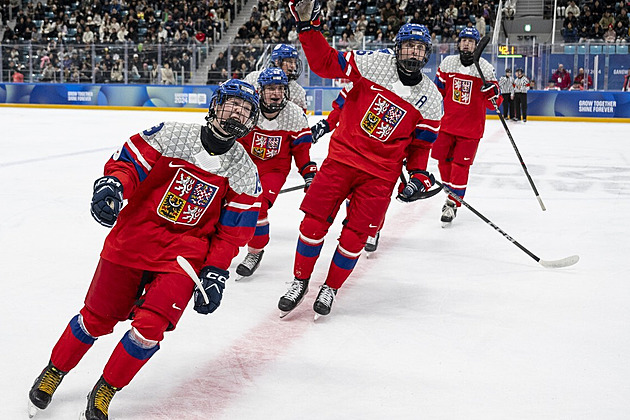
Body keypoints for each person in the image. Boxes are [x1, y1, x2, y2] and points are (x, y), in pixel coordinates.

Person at [27, 79, 262, 420]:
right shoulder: (170, 134)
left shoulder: (245, 173)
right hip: (133, 240)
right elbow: (129, 166)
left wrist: (216, 273)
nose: (238, 112)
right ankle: (55, 371)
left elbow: (231, 234)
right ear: (216, 105)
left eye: (246, 110)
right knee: (94, 319)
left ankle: (106, 388)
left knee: (150, 328)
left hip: (183, 255)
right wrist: (112, 185)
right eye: (234, 104)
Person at [281, 2, 443, 318]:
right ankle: (300, 280)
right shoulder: (373, 64)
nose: (413, 54)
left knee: (356, 235)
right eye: (408, 46)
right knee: (313, 222)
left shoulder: (432, 99)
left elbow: (419, 149)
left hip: (380, 176)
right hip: (342, 159)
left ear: (426, 54)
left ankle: (330, 287)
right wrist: (307, 27)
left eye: (419, 48)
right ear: (397, 49)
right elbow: (326, 63)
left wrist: (419, 177)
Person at [234, 67, 316, 279]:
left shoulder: (294, 115)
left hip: (274, 170)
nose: (276, 93)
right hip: (245, 165)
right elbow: (234, 141)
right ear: (260, 90)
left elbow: (301, 150)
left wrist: (309, 172)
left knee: (258, 206)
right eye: (271, 88)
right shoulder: (248, 109)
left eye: (280, 88)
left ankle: (255, 251)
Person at [432, 27, 502, 226]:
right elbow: (438, 91)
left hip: (470, 130)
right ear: (458, 42)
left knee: (460, 166)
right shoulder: (448, 63)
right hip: (446, 125)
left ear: (477, 44)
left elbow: (495, 101)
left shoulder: (485, 68)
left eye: (471, 41)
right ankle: (451, 193)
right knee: (443, 162)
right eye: (464, 40)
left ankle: (452, 203)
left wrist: (493, 91)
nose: (467, 44)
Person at [244, 43, 307, 112]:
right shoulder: (253, 78)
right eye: (289, 62)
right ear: (277, 62)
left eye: (295, 62)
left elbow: (300, 118)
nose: (293, 66)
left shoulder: (298, 91)